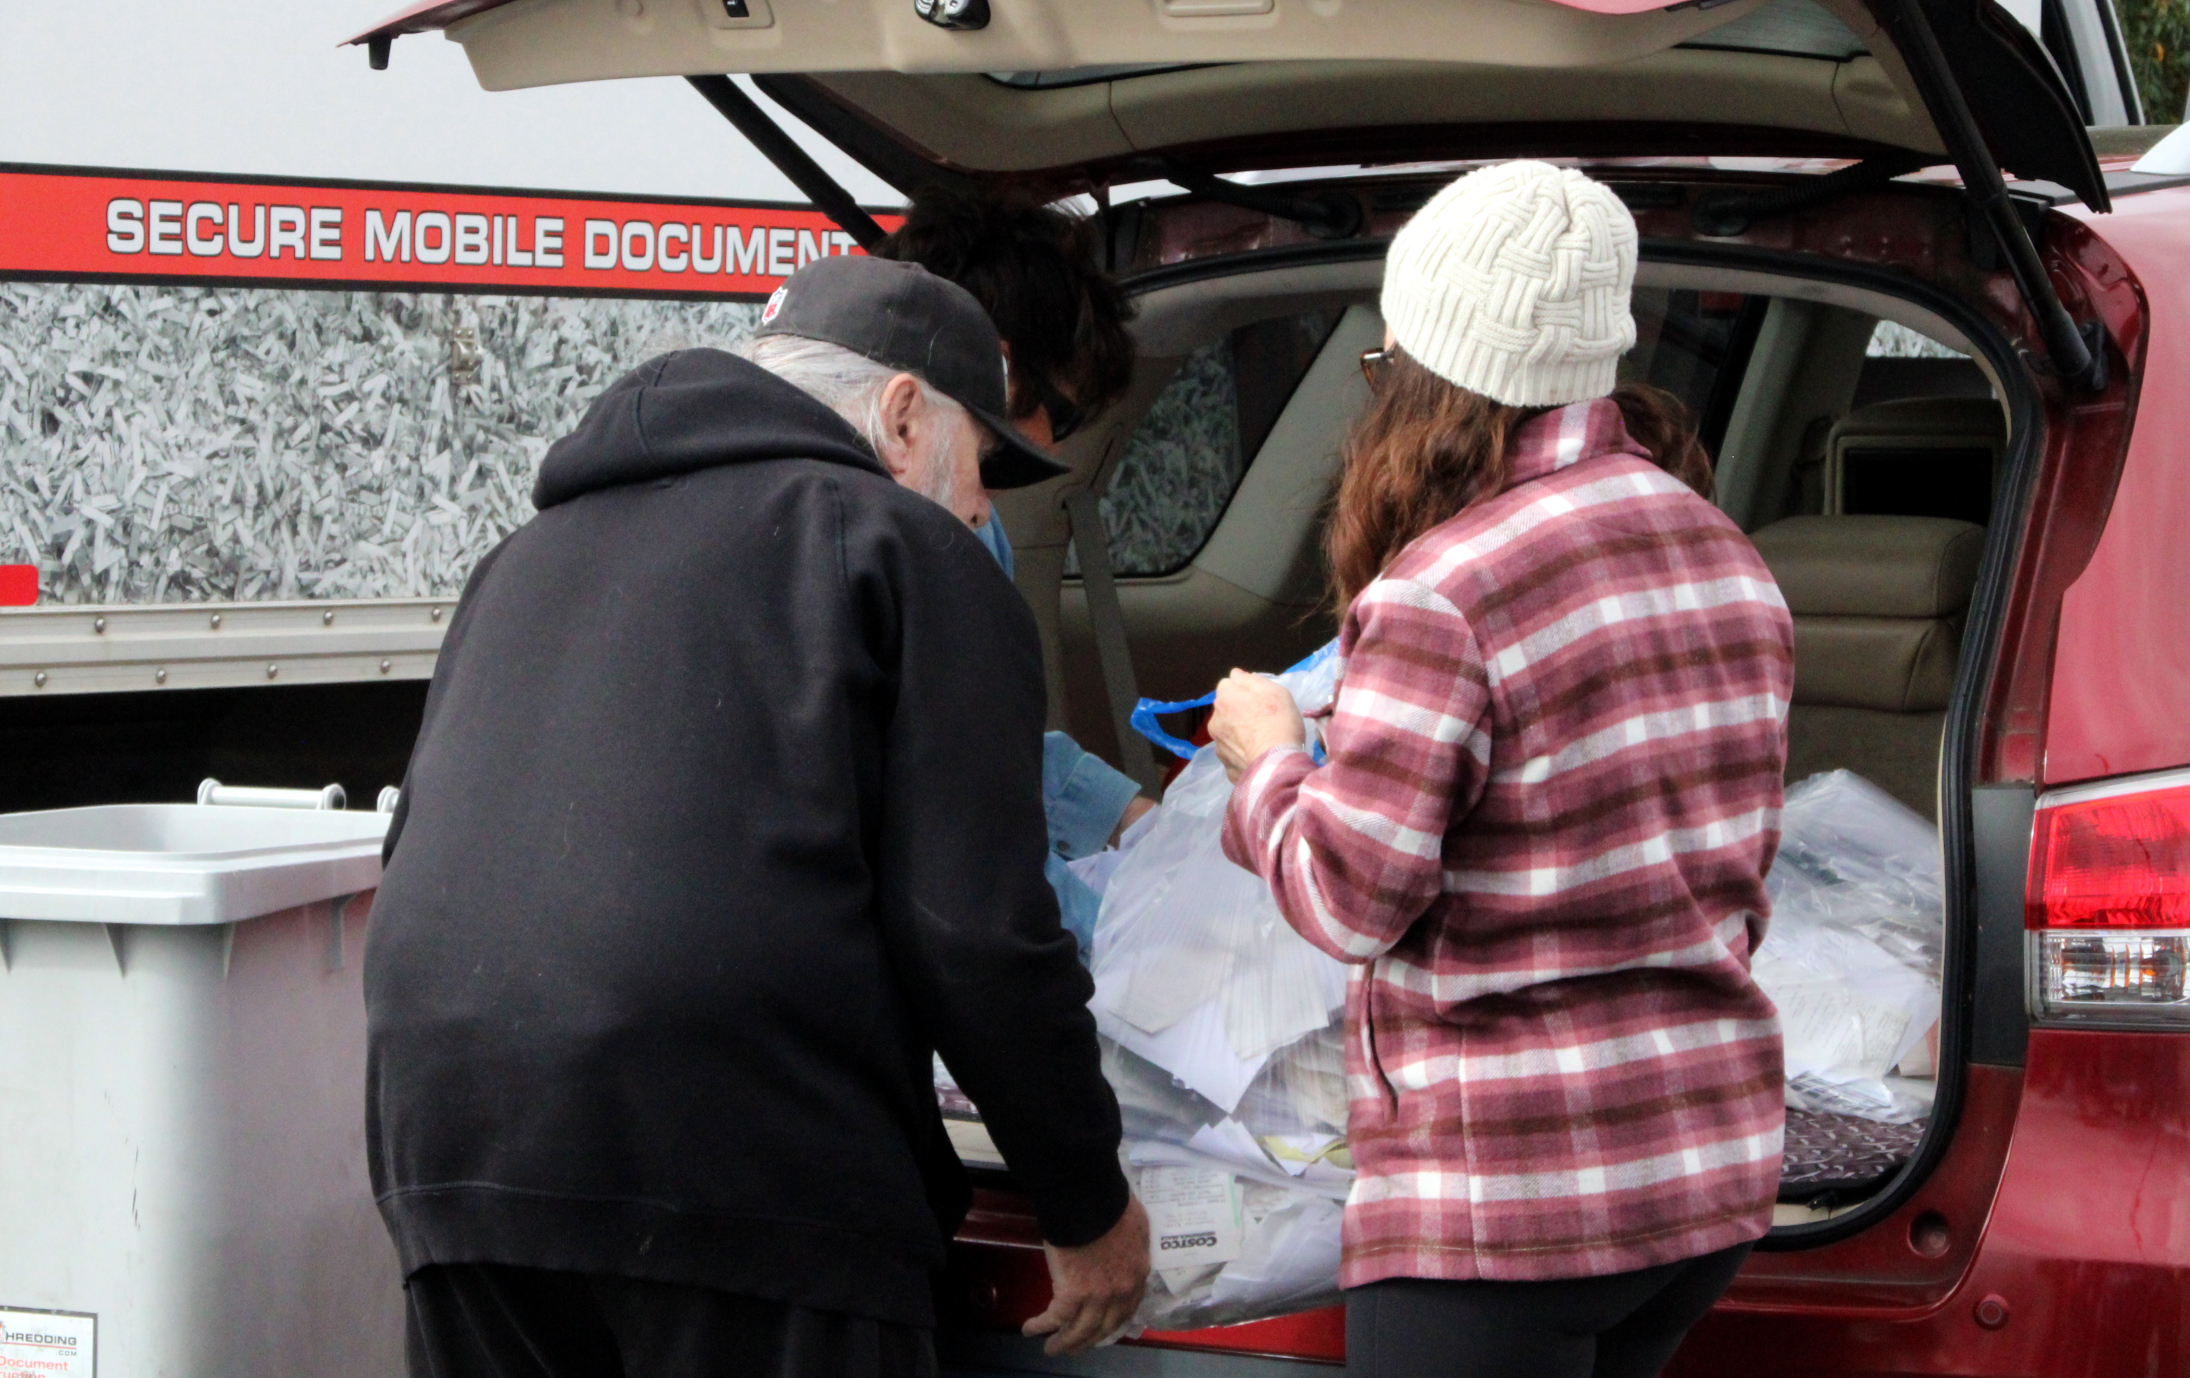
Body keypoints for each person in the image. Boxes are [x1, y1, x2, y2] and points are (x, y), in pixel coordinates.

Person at [364, 254, 1148, 1378]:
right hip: (748, 1177)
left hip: (451, 1156)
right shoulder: (908, 549)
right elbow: (976, 931)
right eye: (982, 463)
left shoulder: (521, 559)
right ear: (902, 412)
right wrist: (1087, 1199)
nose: (981, 505)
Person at [1206, 161, 1794, 1378]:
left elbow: (1348, 897)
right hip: (1699, 1180)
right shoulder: (1725, 552)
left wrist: (1268, 762)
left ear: (1426, 373)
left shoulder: (1442, 590)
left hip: (1509, 1205)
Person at [874, 187, 1152, 957]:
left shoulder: (973, 527)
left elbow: (997, 738)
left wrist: (1135, 823)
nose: (1048, 454)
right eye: (1053, 418)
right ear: (989, 366)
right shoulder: (855, 564)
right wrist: (1132, 954)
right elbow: (969, 831)